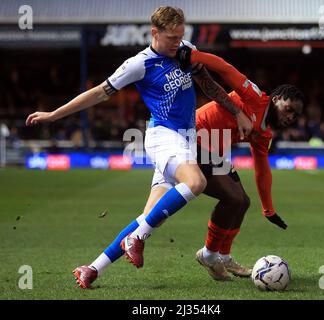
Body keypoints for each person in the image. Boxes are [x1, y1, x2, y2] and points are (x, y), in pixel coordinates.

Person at [25, 6, 252, 288]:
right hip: (164, 137)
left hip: (187, 138)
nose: (177, 43)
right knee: (195, 182)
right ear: (154, 33)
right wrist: (53, 114)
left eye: (180, 36)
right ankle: (137, 238)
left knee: (149, 217)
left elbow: (208, 84)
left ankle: (92, 268)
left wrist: (236, 111)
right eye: (171, 37)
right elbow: (99, 92)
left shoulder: (185, 50)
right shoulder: (139, 64)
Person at [79, 49, 305, 286]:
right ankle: (211, 256)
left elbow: (262, 169)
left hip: (206, 150)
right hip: (191, 138)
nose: (291, 116)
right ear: (277, 98)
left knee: (156, 216)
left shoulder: (264, 133)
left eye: (295, 115)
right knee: (233, 197)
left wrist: (268, 209)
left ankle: (93, 268)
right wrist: (193, 56)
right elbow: (225, 68)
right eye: (289, 108)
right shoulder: (255, 97)